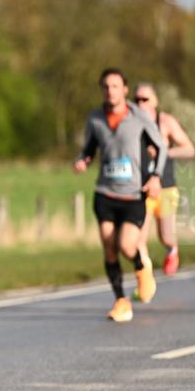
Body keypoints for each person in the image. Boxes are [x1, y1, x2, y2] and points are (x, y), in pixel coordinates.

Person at [73, 68, 166, 322]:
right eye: (105, 86)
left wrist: (156, 176)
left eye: (115, 86)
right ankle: (121, 301)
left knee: (126, 245)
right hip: (105, 192)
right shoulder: (95, 118)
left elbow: (160, 146)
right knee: (108, 246)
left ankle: (141, 267)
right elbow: (89, 149)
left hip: (134, 193)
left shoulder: (138, 117)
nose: (110, 91)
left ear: (125, 90)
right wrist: (83, 161)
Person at [133, 83, 195, 277]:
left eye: (145, 99)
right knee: (138, 238)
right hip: (142, 188)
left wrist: (164, 151)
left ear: (155, 101)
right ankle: (145, 277)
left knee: (166, 236)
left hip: (166, 187)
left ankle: (172, 251)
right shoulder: (131, 123)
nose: (140, 103)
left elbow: (189, 149)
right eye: (136, 100)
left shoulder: (165, 121)